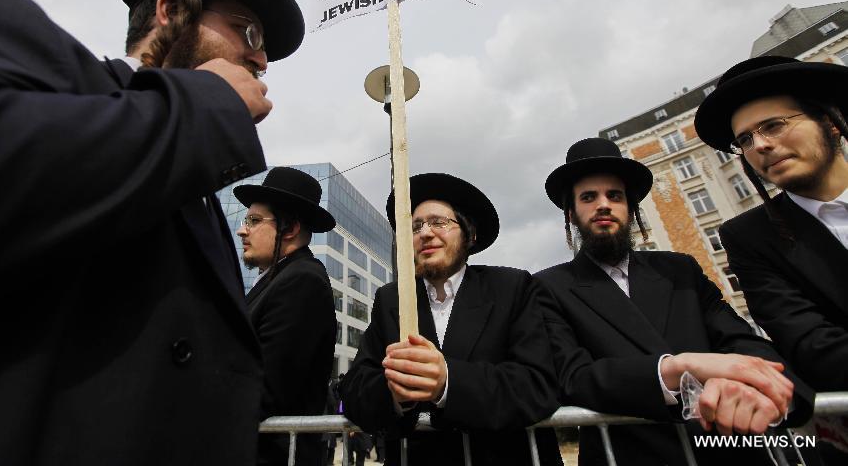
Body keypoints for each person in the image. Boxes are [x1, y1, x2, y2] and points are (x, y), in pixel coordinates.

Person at [0, 0, 304, 465]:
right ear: (171, 10)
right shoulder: (22, 43)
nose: (260, 59)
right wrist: (208, 105)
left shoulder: (199, 187)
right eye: (245, 30)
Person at [536, 138, 814, 466]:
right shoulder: (548, 287)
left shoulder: (680, 269)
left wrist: (768, 382)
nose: (603, 205)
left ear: (631, 208)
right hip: (629, 454)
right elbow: (573, 377)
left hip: (727, 444)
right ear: (571, 213)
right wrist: (680, 367)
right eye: (588, 197)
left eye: (615, 195)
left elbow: (738, 338)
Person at [340, 173, 563, 466]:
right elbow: (355, 388)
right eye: (415, 226)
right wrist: (395, 394)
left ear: (469, 235)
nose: (425, 233)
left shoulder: (513, 288)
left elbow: (537, 384)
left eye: (439, 223)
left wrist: (448, 382)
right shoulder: (389, 300)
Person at [695, 55, 848, 460]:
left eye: (774, 125)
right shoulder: (748, 238)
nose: (759, 144)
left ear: (830, 122)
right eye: (744, 139)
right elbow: (813, 347)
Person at [234, 167, 338, 465]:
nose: (243, 230)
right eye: (246, 220)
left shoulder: (302, 281)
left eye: (254, 221)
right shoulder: (279, 278)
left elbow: (265, 389)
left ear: (289, 228)